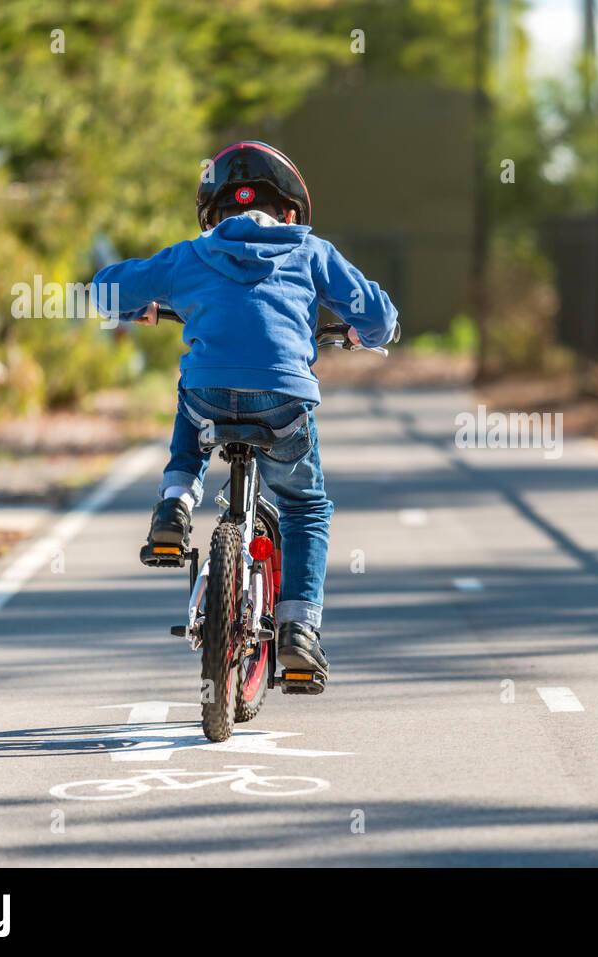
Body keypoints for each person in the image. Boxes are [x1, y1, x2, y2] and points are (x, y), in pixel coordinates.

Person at [91, 141, 398, 685]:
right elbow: (378, 316)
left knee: (193, 391)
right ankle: (299, 631)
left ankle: (174, 504)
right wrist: (362, 333)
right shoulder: (311, 250)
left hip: (209, 396)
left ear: (215, 216)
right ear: (289, 213)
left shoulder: (191, 254)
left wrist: (142, 306)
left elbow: (106, 290)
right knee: (305, 507)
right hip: (283, 401)